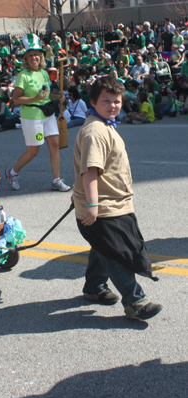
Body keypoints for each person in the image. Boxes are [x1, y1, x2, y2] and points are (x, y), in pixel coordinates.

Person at [73, 75, 162, 320]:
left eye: (117, 101)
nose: (113, 106)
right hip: (103, 206)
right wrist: (92, 205)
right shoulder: (95, 132)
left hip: (111, 202)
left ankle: (94, 287)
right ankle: (136, 302)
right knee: (115, 253)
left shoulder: (104, 125)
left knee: (102, 247)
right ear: (92, 101)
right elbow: (90, 171)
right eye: (106, 101)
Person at [5, 34, 70, 192]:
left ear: (41, 56)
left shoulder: (44, 73)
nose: (35, 57)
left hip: (48, 115)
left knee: (54, 145)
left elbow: (45, 95)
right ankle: (12, 173)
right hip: (32, 117)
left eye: (37, 54)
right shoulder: (23, 76)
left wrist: (58, 97)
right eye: (31, 54)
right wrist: (34, 98)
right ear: (26, 58)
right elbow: (16, 99)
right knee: (33, 151)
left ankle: (56, 180)